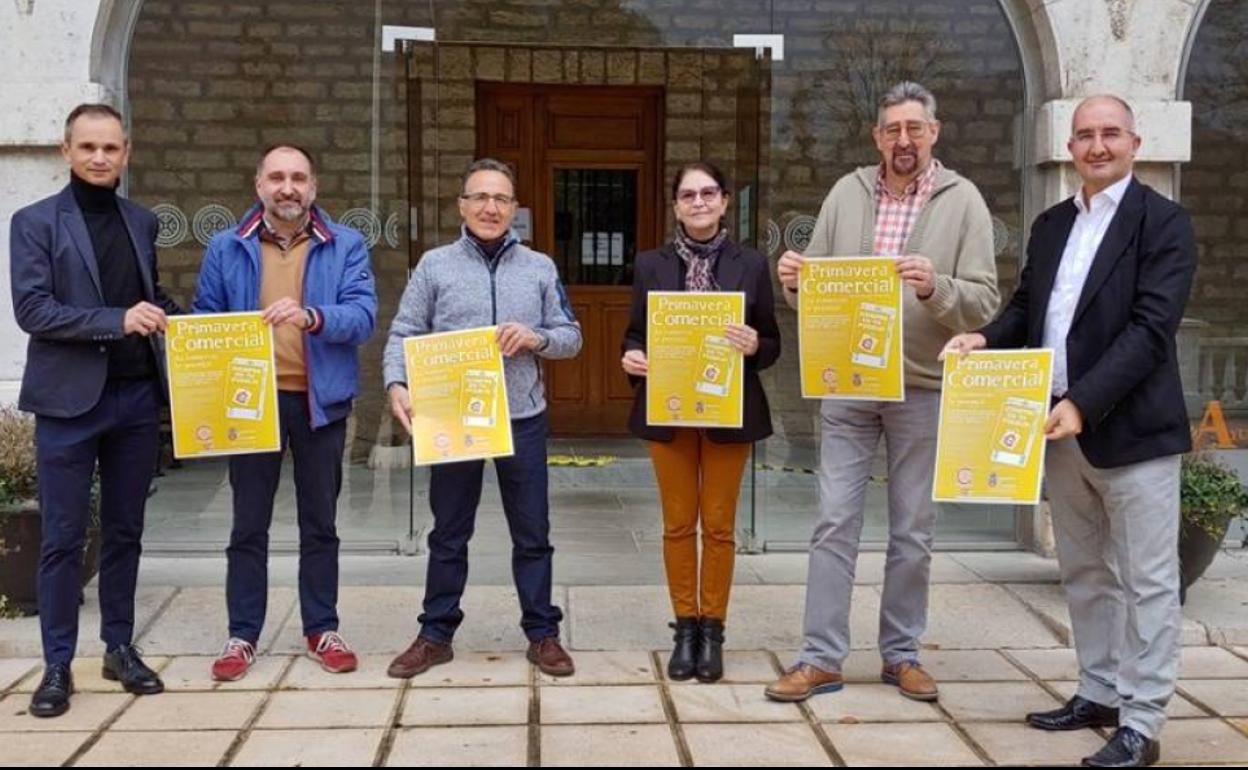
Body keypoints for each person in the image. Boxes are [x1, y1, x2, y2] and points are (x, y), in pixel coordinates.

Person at [943, 95, 1195, 767]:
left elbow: (1150, 330)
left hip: (1132, 431)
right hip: (1055, 425)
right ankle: (1100, 691)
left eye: (1110, 133)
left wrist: (1084, 401)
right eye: (1084, 135)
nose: (1097, 145)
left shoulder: (1164, 223)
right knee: (1083, 571)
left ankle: (1142, 722)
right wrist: (982, 339)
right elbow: (1029, 309)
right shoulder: (1053, 222)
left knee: (1148, 582)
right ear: (1069, 146)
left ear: (1135, 143)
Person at [764, 82, 999, 703]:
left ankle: (901, 655)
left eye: (914, 129)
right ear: (876, 136)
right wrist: (792, 279)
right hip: (848, 385)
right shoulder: (847, 191)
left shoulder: (964, 201)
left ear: (934, 132)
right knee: (834, 520)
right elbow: (812, 288)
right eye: (892, 129)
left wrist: (937, 287)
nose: (903, 140)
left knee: (913, 529)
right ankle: (821, 658)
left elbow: (985, 300)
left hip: (922, 386)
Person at [10, 103, 182, 716]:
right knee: (60, 538)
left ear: (126, 151)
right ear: (66, 151)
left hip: (134, 399)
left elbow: (149, 299)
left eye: (111, 148)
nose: (100, 158)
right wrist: (118, 320)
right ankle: (57, 666)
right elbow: (34, 311)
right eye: (88, 147)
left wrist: (202, 329)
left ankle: (118, 647)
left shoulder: (141, 221)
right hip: (68, 404)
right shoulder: (33, 222)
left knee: (125, 533)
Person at [383, 158, 583, 678]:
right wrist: (396, 382)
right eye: (480, 197)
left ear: (514, 209)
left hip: (522, 418)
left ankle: (543, 634)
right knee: (449, 532)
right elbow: (404, 331)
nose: (491, 207)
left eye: (501, 199)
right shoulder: (434, 265)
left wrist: (537, 338)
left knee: (532, 532)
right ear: (462, 206)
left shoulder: (539, 267)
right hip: (454, 418)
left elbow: (571, 336)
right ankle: (435, 633)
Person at [192, 143, 377, 681]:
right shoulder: (226, 247)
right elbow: (207, 320)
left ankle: (322, 627)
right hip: (251, 406)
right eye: (277, 177)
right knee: (247, 525)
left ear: (314, 188)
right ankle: (242, 635)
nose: (288, 187)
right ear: (259, 185)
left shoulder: (346, 245)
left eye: (298, 177)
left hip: (320, 404)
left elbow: (364, 316)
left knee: (320, 523)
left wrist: (312, 316)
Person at [620, 162, 780, 683]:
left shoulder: (752, 264)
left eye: (708, 193)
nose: (699, 202)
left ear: (726, 200)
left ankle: (713, 629)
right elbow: (634, 334)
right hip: (669, 410)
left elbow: (772, 341)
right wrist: (633, 358)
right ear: (675, 205)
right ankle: (684, 627)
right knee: (676, 523)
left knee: (718, 525)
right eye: (688, 195)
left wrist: (755, 346)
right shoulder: (650, 264)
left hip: (728, 410)